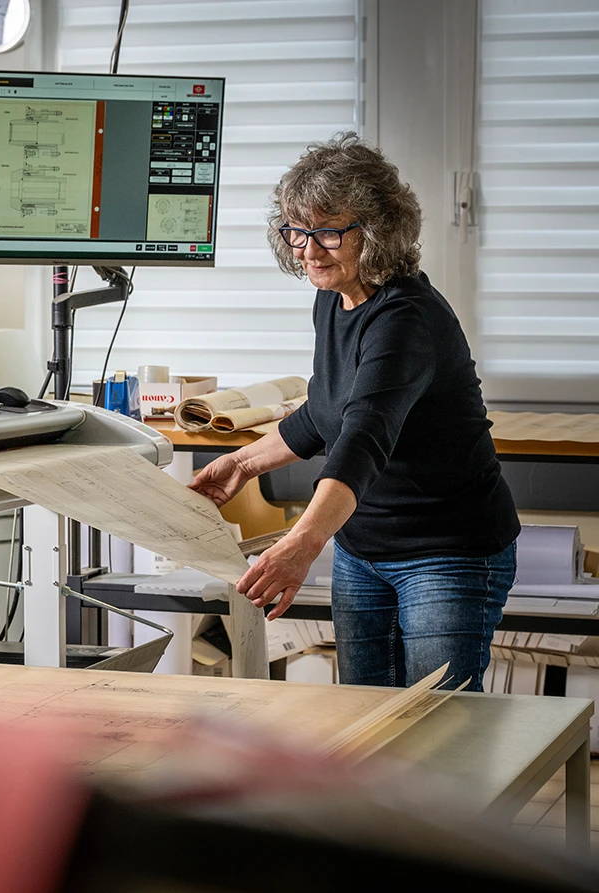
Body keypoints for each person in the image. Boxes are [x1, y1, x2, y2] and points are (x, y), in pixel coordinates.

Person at [190, 132, 519, 691]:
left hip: (446, 552)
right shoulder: (335, 297)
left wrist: (303, 543)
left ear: (379, 231)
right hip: (362, 547)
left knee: (439, 723)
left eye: (329, 232)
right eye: (297, 231)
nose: (309, 250)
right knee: (365, 713)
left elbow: (365, 435)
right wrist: (242, 464)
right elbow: (325, 412)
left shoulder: (406, 319)